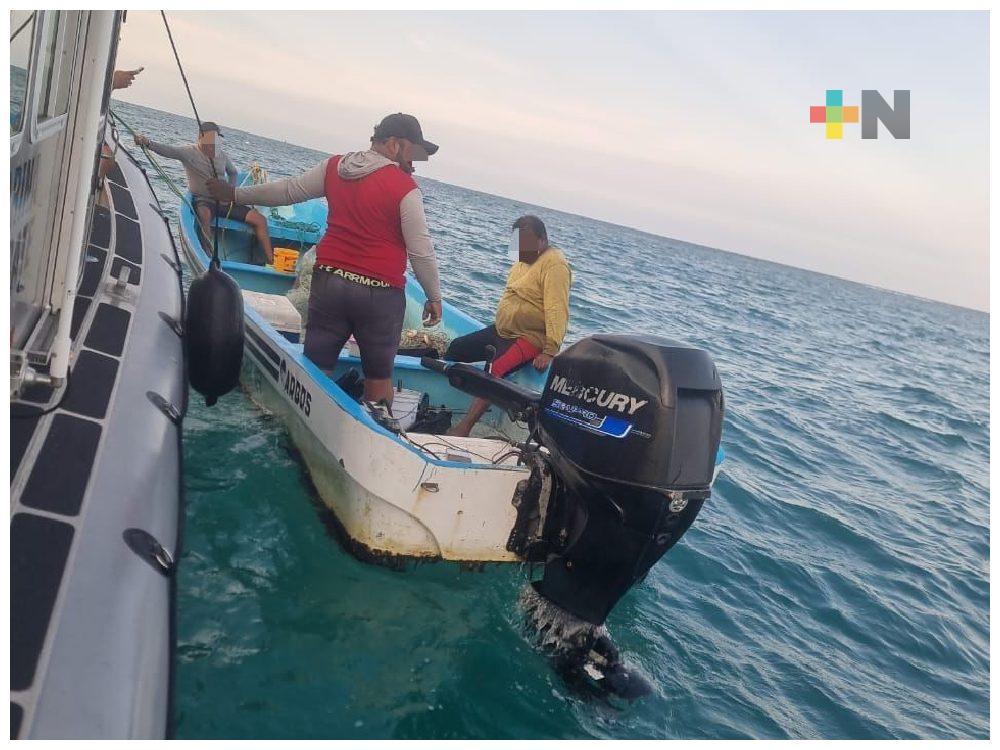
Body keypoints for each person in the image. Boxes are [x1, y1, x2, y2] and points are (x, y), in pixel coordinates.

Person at [207, 113, 443, 407]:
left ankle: (306, 415)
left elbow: (288, 191)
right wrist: (433, 296)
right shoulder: (405, 189)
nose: (417, 161)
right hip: (378, 298)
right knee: (379, 379)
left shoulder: (336, 167)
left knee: (316, 367)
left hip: (329, 283)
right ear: (394, 145)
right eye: (415, 152)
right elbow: (421, 251)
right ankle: (375, 424)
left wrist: (234, 194)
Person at [445, 215, 572, 437]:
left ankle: (464, 428)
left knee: (495, 370)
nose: (521, 247)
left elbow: (556, 309)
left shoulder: (555, 265)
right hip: (501, 331)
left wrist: (550, 350)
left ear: (542, 240)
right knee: (455, 349)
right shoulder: (523, 260)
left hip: (528, 337)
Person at [134, 121, 274, 264]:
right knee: (205, 216)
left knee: (259, 220)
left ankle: (271, 261)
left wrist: (231, 193)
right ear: (201, 136)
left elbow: (233, 173)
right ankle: (208, 259)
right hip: (204, 200)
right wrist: (147, 143)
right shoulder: (188, 152)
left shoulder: (222, 155)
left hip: (225, 200)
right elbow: (168, 151)